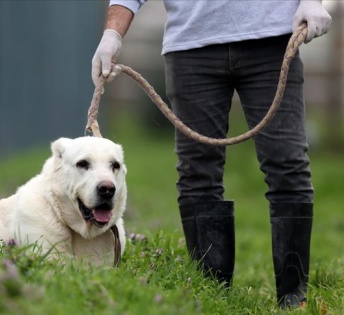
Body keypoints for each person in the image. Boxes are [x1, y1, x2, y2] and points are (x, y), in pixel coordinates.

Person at [91, 0, 332, 309]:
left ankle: (293, 296)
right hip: (190, 47)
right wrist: (113, 33)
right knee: (197, 174)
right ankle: (212, 295)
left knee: (289, 167)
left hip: (273, 41)